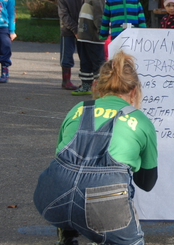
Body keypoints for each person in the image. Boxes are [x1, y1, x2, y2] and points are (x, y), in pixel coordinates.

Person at [33, 50, 158, 245]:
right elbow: (147, 183)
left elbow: (60, 154)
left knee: (74, 178)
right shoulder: (140, 121)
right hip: (103, 204)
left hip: (50, 198)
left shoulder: (78, 109)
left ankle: (67, 233)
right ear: (134, 91)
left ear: (97, 87)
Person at [73, 0, 106, 96]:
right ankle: (86, 85)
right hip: (83, 38)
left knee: (97, 62)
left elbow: (99, 17)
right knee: (85, 62)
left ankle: (101, 86)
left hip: (93, 39)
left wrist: (101, 32)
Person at [54, 0, 84, 90]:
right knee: (66, 55)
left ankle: (86, 81)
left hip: (84, 29)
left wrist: (81, 29)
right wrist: (75, 30)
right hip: (67, 30)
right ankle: (66, 80)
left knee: (85, 55)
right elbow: (63, 15)